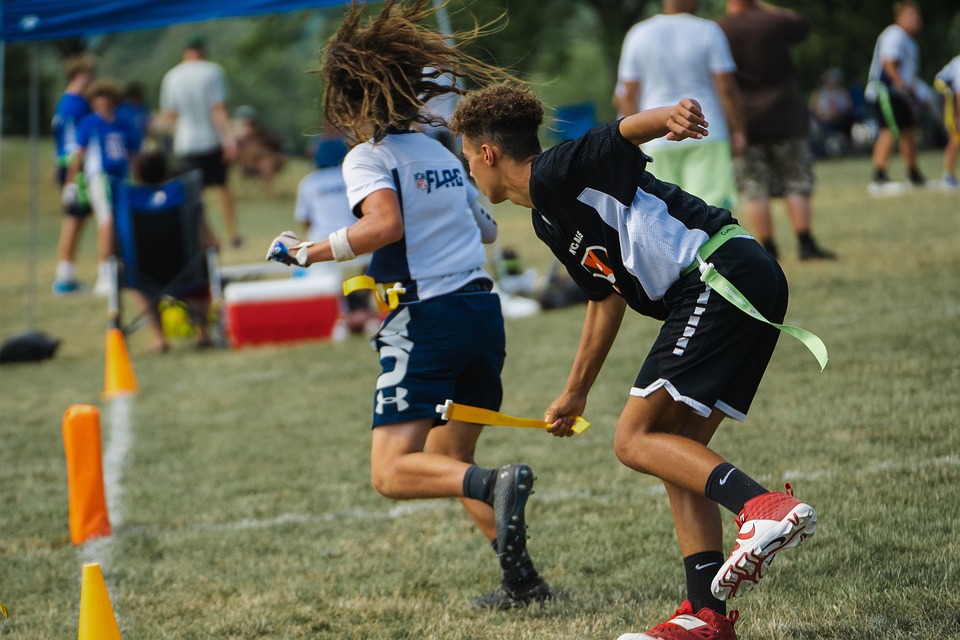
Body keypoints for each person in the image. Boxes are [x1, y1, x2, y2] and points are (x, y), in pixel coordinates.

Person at [451, 82, 819, 640]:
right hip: (732, 276)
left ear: (487, 153)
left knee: (633, 440)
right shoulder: (546, 218)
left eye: (466, 158)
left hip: (715, 275)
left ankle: (761, 506)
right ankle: (705, 618)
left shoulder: (552, 171)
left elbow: (614, 136)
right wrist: (575, 390)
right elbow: (605, 297)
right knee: (675, 452)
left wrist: (665, 118)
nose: (470, 174)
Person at [265, 0, 552, 609]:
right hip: (481, 313)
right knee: (450, 459)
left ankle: (498, 483)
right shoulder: (441, 153)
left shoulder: (370, 157)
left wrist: (306, 252)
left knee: (393, 473)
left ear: (351, 101)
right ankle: (523, 584)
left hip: (427, 318)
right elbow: (488, 230)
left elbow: (384, 225)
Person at [718, 0, 835, 262]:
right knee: (796, 180)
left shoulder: (718, 29)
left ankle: (768, 248)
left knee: (753, 186)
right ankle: (806, 243)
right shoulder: (774, 22)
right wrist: (763, 6)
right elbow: (803, 24)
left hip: (744, 120)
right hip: (785, 115)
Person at [616, 0, 746, 210]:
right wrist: (739, 129)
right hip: (706, 131)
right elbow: (727, 88)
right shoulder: (708, 30)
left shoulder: (638, 33)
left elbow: (627, 93)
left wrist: (636, 136)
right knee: (710, 211)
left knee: (665, 211)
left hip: (656, 135)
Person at [126, 151, 217, 353]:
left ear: (137, 175)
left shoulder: (128, 202)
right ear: (165, 172)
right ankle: (203, 333)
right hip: (187, 272)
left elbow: (112, 246)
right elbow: (211, 243)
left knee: (137, 281)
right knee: (201, 267)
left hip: (145, 275)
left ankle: (159, 338)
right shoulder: (184, 197)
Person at [158, 36, 241, 247]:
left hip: (186, 143)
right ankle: (233, 233)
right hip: (211, 139)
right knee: (223, 187)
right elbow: (218, 110)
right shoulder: (213, 71)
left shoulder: (171, 76)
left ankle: (205, 236)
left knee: (195, 195)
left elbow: (169, 115)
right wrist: (229, 139)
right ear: (202, 51)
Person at [62, 80, 142, 297]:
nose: (104, 102)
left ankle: (121, 267)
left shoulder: (123, 123)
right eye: (99, 98)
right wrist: (70, 184)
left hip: (122, 177)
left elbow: (134, 153)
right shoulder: (89, 123)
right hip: (100, 177)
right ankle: (104, 272)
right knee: (106, 221)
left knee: (122, 222)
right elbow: (78, 156)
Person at [293, 135, 379, 335]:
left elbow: (306, 221)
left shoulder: (308, 183)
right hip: (359, 240)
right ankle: (366, 315)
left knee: (331, 286)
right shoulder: (352, 176)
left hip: (325, 245)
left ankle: (341, 320)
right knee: (365, 280)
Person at [864, 1, 925, 188]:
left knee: (908, 131)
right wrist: (902, 86)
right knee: (889, 130)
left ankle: (913, 173)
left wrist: (914, 93)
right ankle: (879, 174)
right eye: (912, 16)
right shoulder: (894, 34)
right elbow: (889, 63)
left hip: (901, 94)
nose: (917, 20)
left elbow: (910, 73)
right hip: (886, 91)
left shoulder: (910, 41)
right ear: (900, 17)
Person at [51, 54, 96, 295]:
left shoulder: (63, 102)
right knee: (74, 219)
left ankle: (66, 273)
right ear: (81, 75)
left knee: (77, 220)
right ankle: (64, 275)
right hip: (74, 166)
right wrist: (71, 178)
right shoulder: (76, 104)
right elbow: (74, 143)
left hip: (66, 164)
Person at [808, 68, 856, 157]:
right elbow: (812, 110)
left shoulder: (843, 93)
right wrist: (826, 114)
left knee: (850, 119)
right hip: (823, 120)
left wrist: (838, 114)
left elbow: (849, 108)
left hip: (841, 119)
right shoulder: (818, 94)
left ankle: (847, 144)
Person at [934, 54, 960, 189]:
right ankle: (948, 176)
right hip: (947, 97)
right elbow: (958, 93)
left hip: (953, 96)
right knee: (956, 135)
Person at [116, 81, 152, 145]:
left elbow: (147, 122)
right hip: (128, 140)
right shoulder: (122, 109)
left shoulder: (143, 107)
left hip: (142, 139)